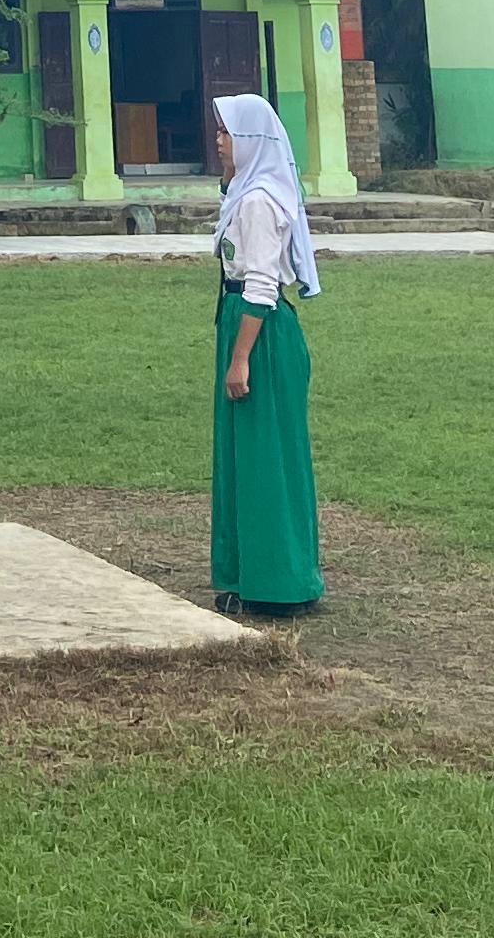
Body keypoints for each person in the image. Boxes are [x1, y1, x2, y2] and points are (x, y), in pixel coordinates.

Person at [205, 93, 321, 616]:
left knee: (267, 456)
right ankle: (244, 571)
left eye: (228, 133)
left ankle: (279, 579)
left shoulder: (257, 202)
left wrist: (240, 357)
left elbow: (260, 286)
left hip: (259, 331)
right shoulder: (243, 193)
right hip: (242, 322)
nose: (219, 141)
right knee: (242, 454)